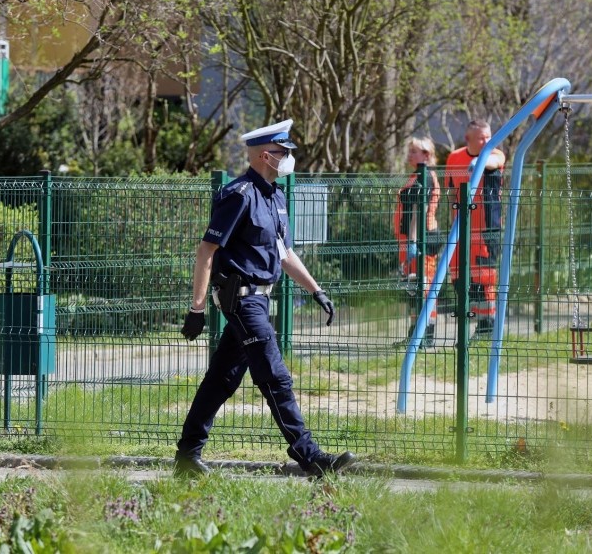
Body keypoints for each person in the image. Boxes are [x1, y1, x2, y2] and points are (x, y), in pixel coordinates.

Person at [176, 119, 357, 477]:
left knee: (222, 379)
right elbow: (205, 250)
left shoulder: (275, 196)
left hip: (260, 300)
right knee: (275, 376)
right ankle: (311, 457)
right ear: (263, 155)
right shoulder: (238, 195)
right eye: (282, 152)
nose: (288, 158)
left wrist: (316, 289)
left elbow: (285, 253)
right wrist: (197, 308)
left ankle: (186, 456)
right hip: (241, 299)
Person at [445, 119, 506, 339]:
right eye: (481, 137)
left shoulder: (496, 155)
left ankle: (487, 326)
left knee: (485, 277)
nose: (487, 141)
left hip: (487, 229)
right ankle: (475, 320)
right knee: (459, 276)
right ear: (468, 139)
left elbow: (491, 162)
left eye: (488, 135)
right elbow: (451, 191)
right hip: (462, 228)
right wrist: (454, 220)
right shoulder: (454, 158)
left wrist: (477, 164)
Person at [394, 137, 441, 348]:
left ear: (426, 155)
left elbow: (417, 210)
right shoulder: (417, 176)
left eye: (415, 151)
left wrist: (413, 241)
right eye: (410, 150)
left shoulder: (425, 177)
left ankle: (425, 336)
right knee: (414, 287)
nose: (410, 154)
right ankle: (415, 335)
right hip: (411, 240)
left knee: (424, 285)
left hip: (422, 239)